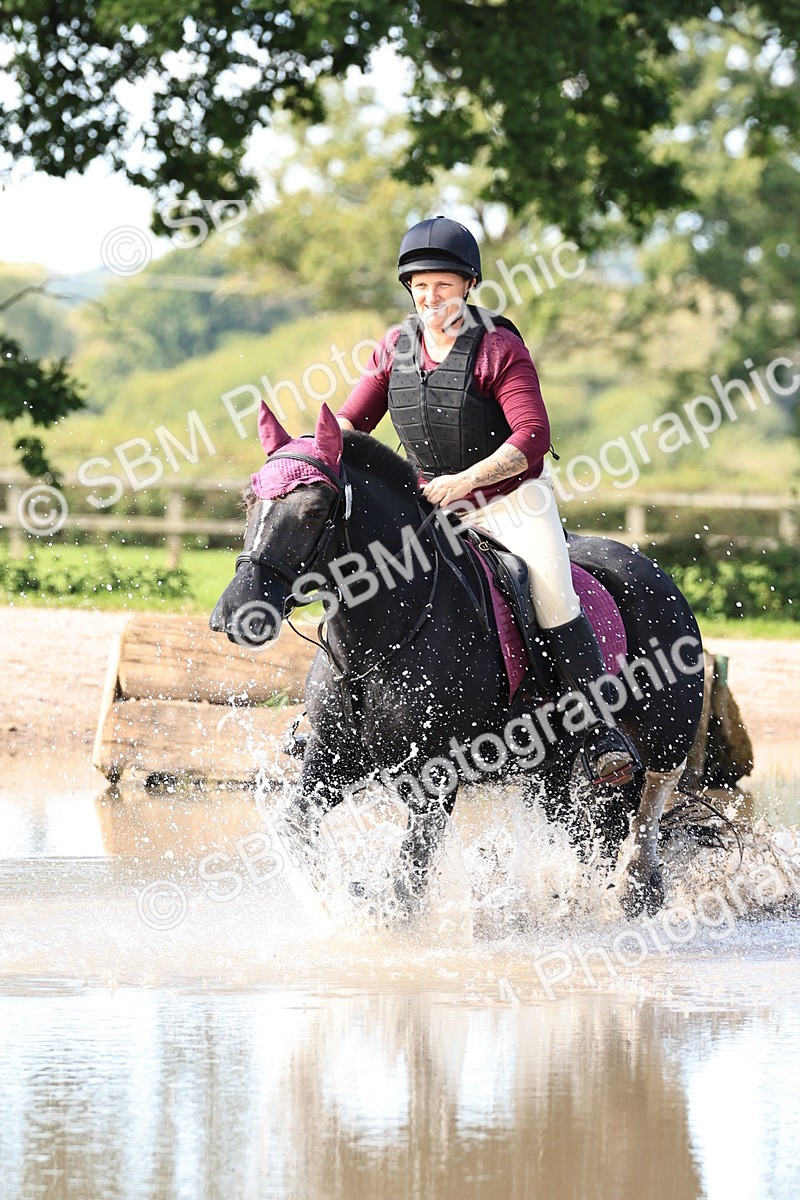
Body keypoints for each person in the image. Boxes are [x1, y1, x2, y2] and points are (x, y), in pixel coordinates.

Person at [336, 215, 639, 787]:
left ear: (468, 285)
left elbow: (532, 438)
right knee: (357, 576)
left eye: (444, 286)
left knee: (552, 593)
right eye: (421, 286)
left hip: (511, 502)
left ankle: (598, 732)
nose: (431, 297)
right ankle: (331, 719)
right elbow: (351, 423)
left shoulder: (498, 349)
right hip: (430, 505)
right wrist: (313, 453)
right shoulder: (395, 349)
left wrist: (465, 481)